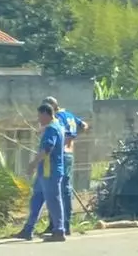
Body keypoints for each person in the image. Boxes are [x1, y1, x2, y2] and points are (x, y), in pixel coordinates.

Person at [16, 103, 67, 242]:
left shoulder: (52, 128)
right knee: (36, 200)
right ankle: (28, 229)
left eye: (39, 116)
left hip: (49, 171)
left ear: (46, 114)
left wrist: (33, 164)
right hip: (44, 172)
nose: (38, 119)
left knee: (53, 201)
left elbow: (47, 149)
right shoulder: (57, 125)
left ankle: (59, 231)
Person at [42, 96, 88, 235]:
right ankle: (64, 225)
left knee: (55, 191)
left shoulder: (58, 118)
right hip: (69, 155)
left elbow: (56, 134)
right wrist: (73, 137)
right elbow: (84, 125)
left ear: (52, 108)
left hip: (59, 156)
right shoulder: (69, 115)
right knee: (65, 191)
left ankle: (57, 225)